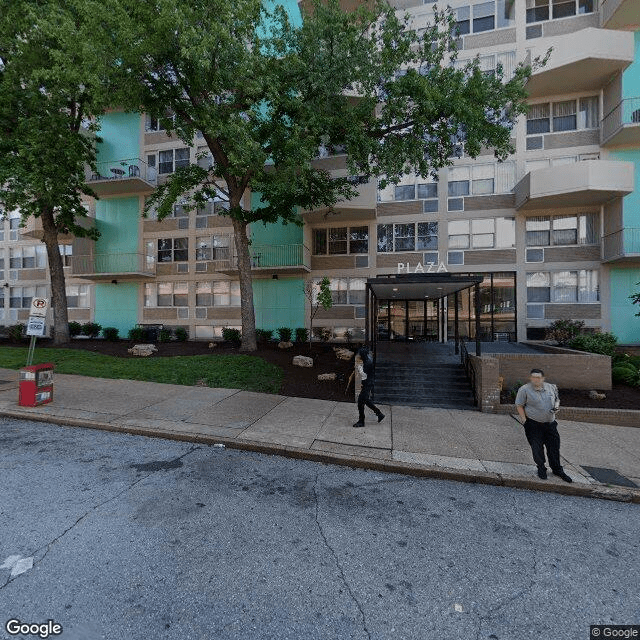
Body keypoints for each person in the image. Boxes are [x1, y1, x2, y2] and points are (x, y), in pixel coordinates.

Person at [515, 368, 572, 483]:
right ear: (531, 378)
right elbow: (519, 405)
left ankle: (557, 469)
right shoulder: (524, 389)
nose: (536, 379)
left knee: (554, 448)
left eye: (538, 377)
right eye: (533, 377)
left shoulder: (551, 387)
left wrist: (556, 406)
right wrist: (524, 421)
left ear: (543, 378)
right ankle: (541, 468)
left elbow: (557, 399)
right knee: (537, 448)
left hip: (551, 425)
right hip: (533, 425)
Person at [353, 346, 385, 428]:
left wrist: (358, 367)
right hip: (368, 383)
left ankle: (362, 421)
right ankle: (379, 414)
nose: (359, 355)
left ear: (363, 354)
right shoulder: (368, 359)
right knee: (365, 400)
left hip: (367, 383)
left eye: (360, 354)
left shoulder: (367, 363)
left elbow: (364, 375)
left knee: (361, 401)